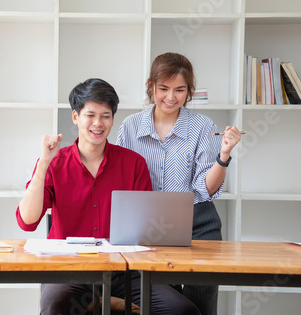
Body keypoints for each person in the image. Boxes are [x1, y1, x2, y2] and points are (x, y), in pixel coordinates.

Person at [16, 78, 200, 315]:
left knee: (182, 310)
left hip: (124, 270)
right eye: (90, 115)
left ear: (113, 119)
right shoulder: (55, 163)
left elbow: (146, 230)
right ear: (75, 117)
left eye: (106, 116)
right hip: (69, 269)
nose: (98, 123)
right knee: (54, 306)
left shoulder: (133, 164)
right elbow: (27, 222)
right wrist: (43, 163)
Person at [116, 52, 242, 315]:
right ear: (151, 86)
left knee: (201, 304)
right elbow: (122, 179)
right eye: (163, 88)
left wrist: (224, 155)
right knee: (164, 304)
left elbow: (205, 189)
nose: (171, 97)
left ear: (189, 91)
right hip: (149, 226)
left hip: (199, 222)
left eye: (179, 90)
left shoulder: (202, 126)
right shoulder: (130, 126)